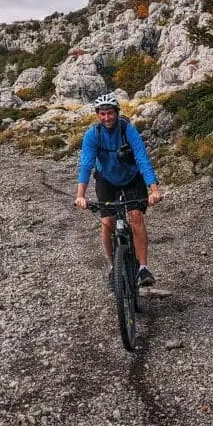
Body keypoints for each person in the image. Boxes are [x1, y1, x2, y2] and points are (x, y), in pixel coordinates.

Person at [75, 92, 161, 289]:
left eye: (110, 113)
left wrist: (153, 189)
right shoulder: (92, 135)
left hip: (132, 179)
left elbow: (142, 159)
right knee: (107, 222)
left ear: (116, 112)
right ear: (98, 115)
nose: (106, 118)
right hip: (107, 180)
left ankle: (143, 269)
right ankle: (113, 266)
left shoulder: (128, 131)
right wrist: (80, 195)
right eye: (102, 114)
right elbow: (86, 165)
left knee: (136, 216)